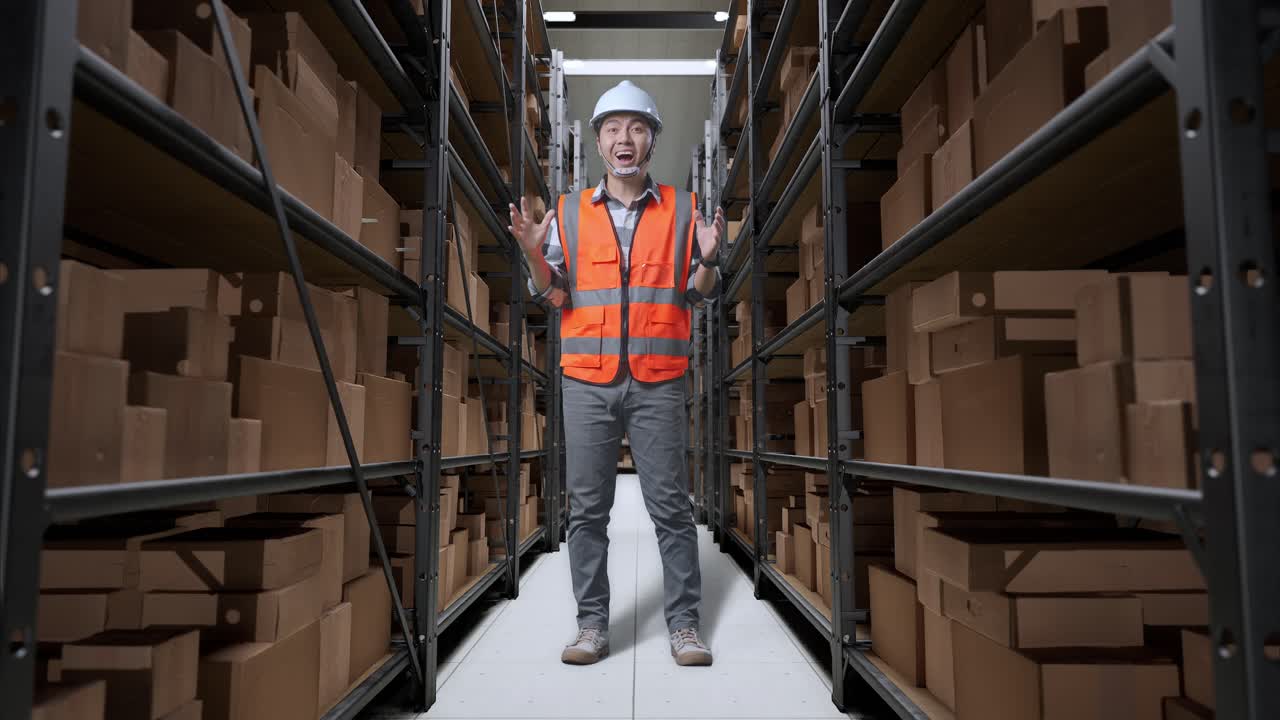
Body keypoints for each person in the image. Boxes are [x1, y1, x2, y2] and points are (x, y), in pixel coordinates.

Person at [509, 80, 724, 667]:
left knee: (671, 509)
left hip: (659, 378)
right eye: (612, 129)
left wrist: (708, 257)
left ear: (652, 139)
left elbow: (698, 294)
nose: (624, 139)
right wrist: (533, 253)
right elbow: (554, 296)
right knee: (587, 511)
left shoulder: (683, 209)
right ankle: (592, 626)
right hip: (587, 379)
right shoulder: (568, 212)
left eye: (636, 128)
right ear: (599, 142)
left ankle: (684, 626)